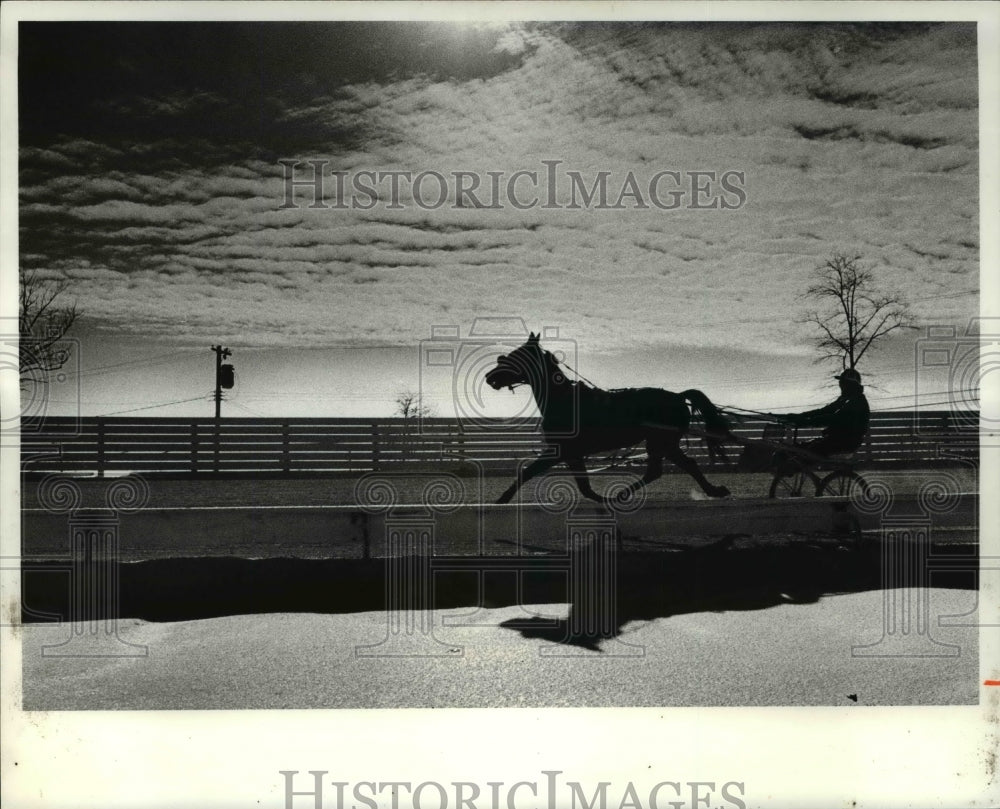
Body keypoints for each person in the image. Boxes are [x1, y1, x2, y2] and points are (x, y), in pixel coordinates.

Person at [779, 368, 870, 459]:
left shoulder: (857, 402)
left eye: (843, 383)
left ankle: (788, 471)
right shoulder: (846, 399)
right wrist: (797, 416)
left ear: (851, 385)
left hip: (844, 443)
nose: (840, 385)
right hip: (836, 440)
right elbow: (824, 411)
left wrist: (804, 421)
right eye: (841, 382)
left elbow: (833, 418)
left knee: (802, 454)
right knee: (798, 449)